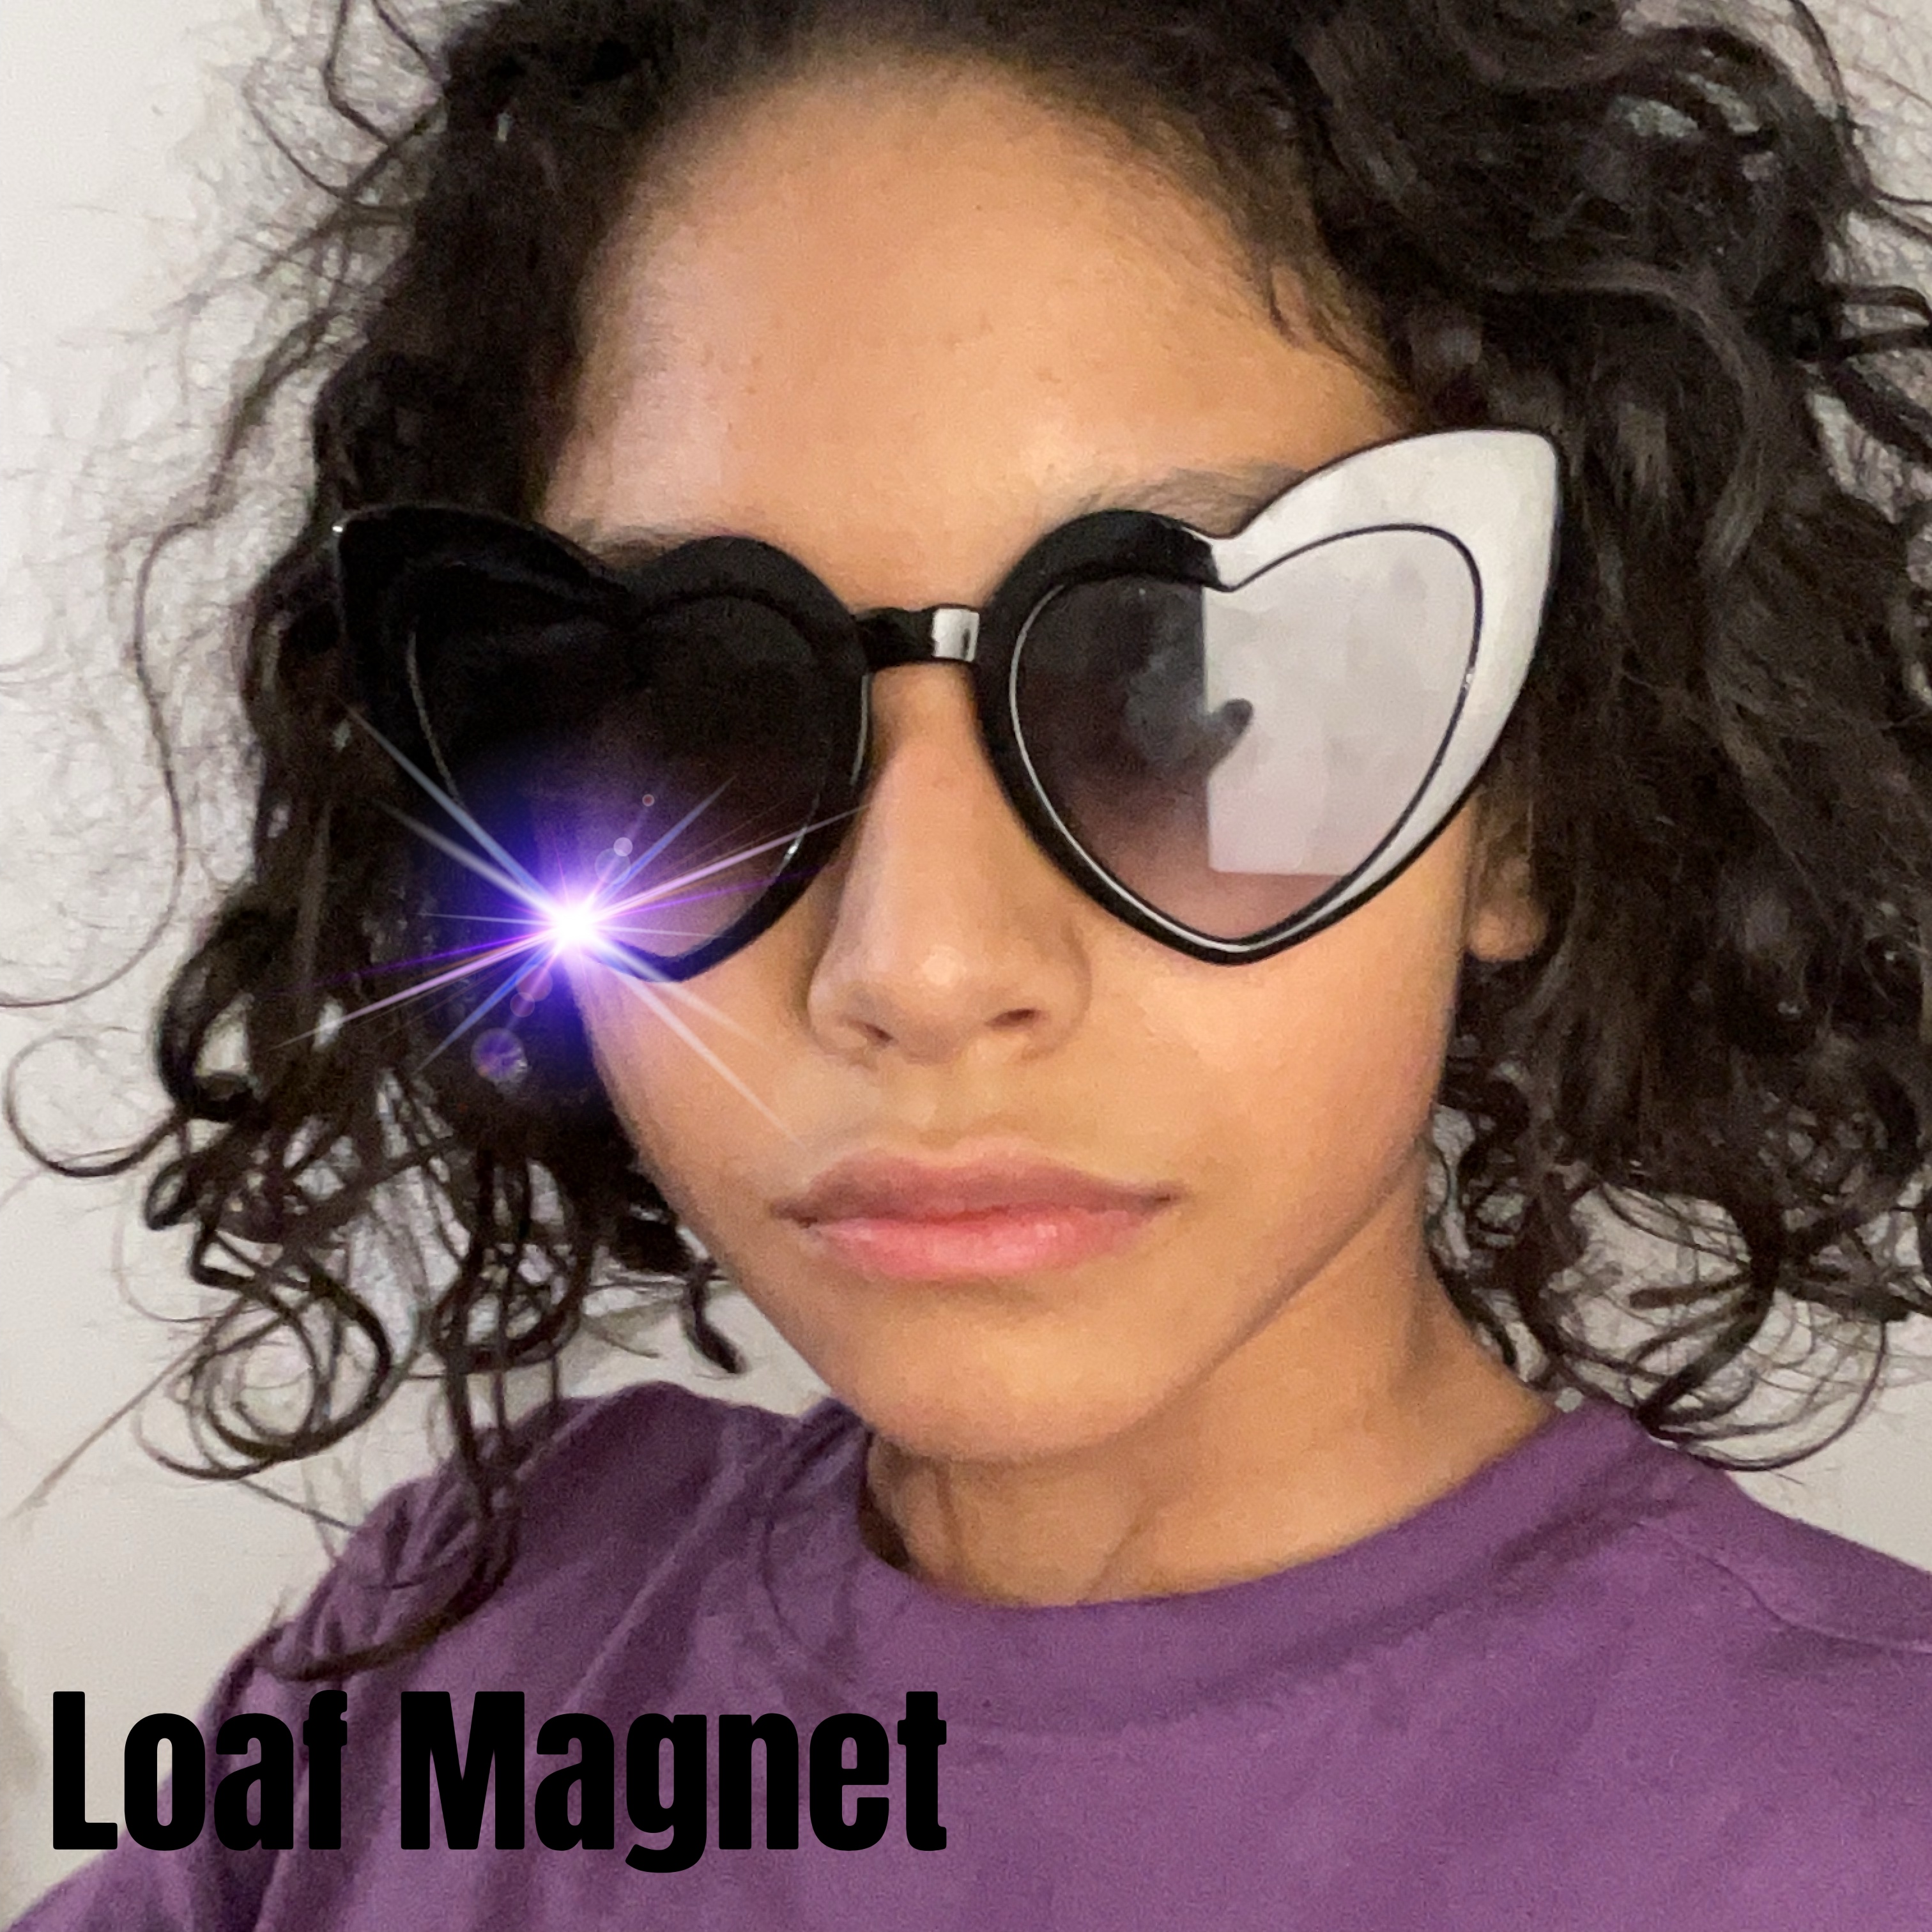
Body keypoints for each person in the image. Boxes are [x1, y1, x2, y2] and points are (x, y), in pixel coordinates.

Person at [12, 0, 1932, 1923]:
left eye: (1193, 693)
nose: (919, 968)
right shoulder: (454, 1643)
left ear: (1519, 799)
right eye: (693, 714)